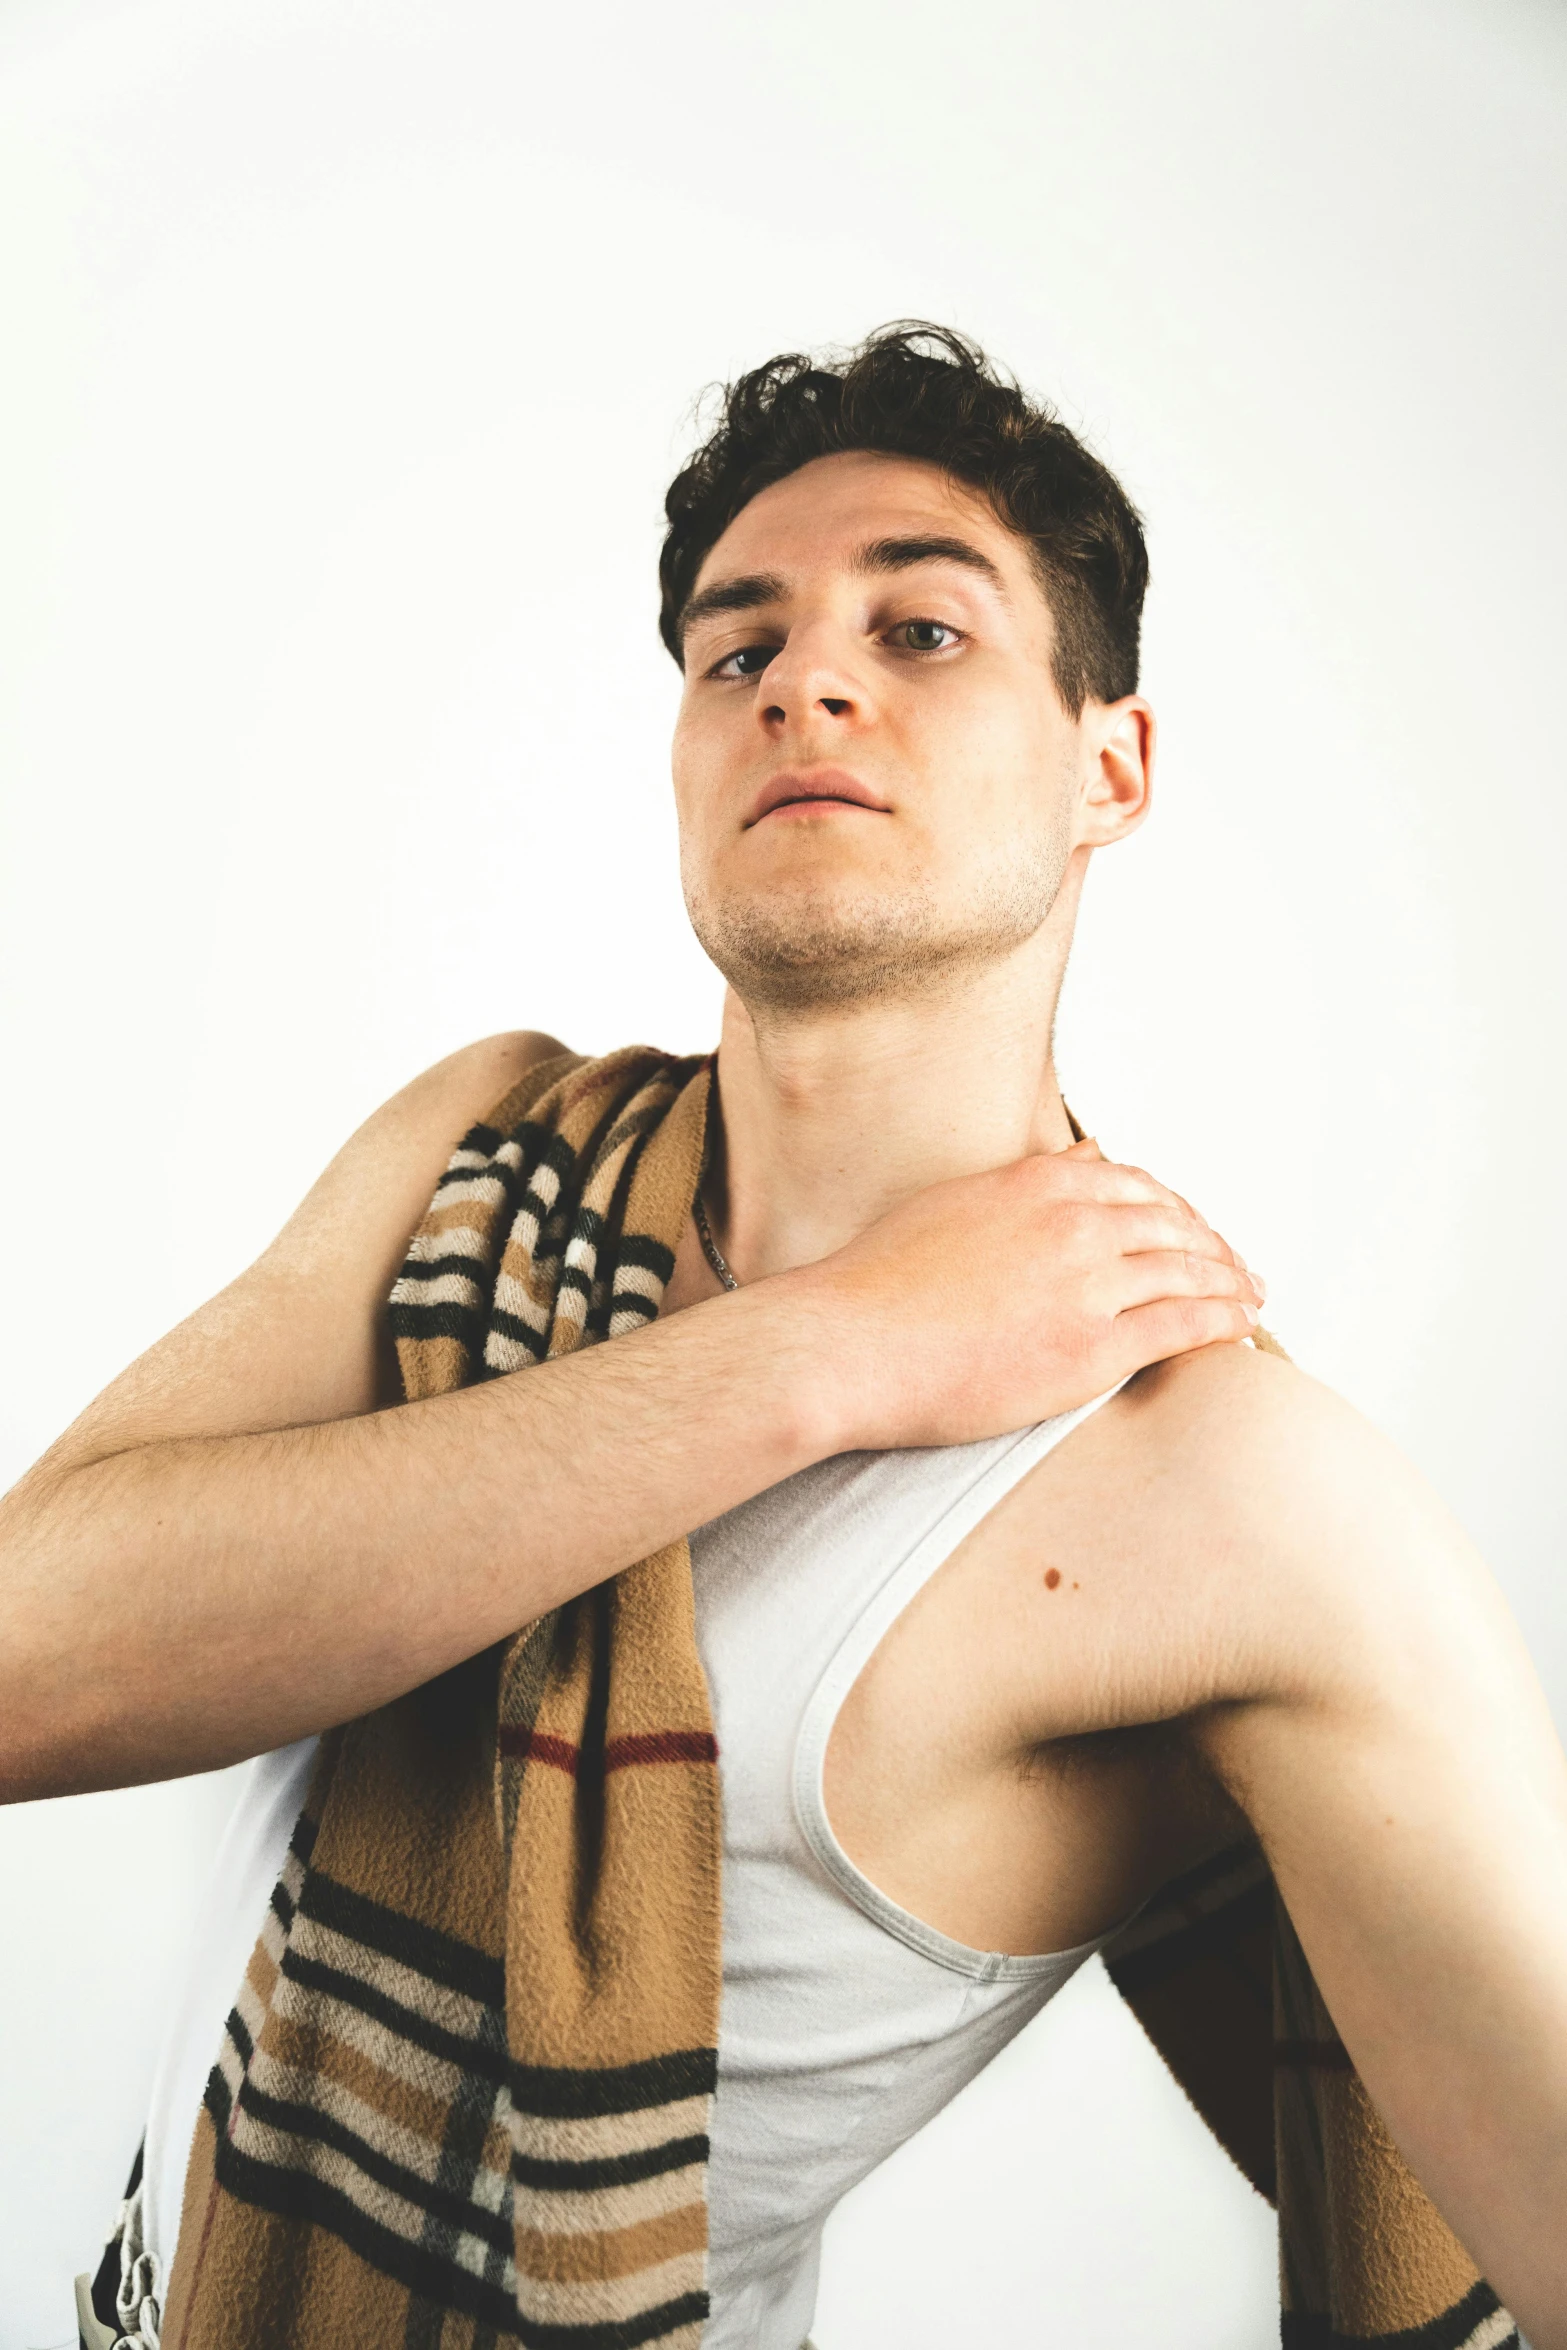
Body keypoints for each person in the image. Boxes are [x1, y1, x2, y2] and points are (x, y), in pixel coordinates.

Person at [3, 325, 1564, 2350]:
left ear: (1114, 767)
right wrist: (828, 1350)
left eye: (922, 629)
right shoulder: (485, 1141)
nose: (805, 680)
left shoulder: (1226, 1486)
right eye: (736, 650)